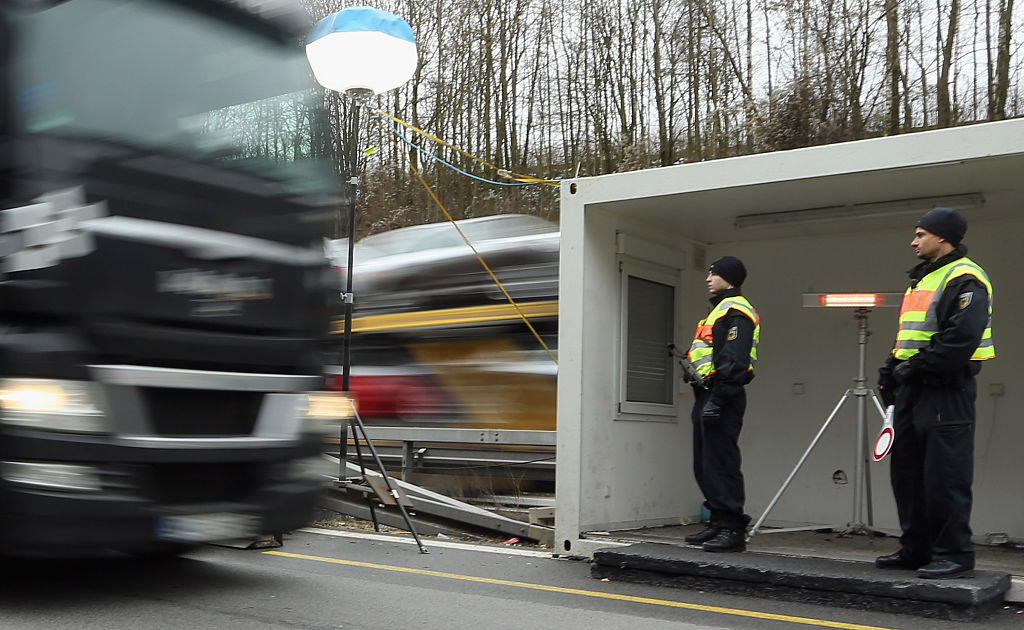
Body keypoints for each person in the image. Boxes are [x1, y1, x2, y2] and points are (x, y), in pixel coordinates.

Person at [875, 207, 994, 579]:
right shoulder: (923, 278)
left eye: (920, 234)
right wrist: (892, 367)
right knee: (907, 473)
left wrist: (916, 366)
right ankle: (917, 548)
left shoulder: (966, 278)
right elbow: (914, 335)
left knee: (945, 475)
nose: (913, 241)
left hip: (946, 390)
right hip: (914, 389)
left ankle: (954, 554)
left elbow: (960, 339)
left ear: (943, 237)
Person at [684, 256, 759, 552]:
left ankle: (733, 529)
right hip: (707, 394)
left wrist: (718, 398)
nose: (708, 278)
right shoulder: (717, 310)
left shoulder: (737, 311)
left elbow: (735, 361)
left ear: (730, 278)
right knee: (704, 464)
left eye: (714, 273)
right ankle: (718, 521)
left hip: (722, 396)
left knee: (722, 463)